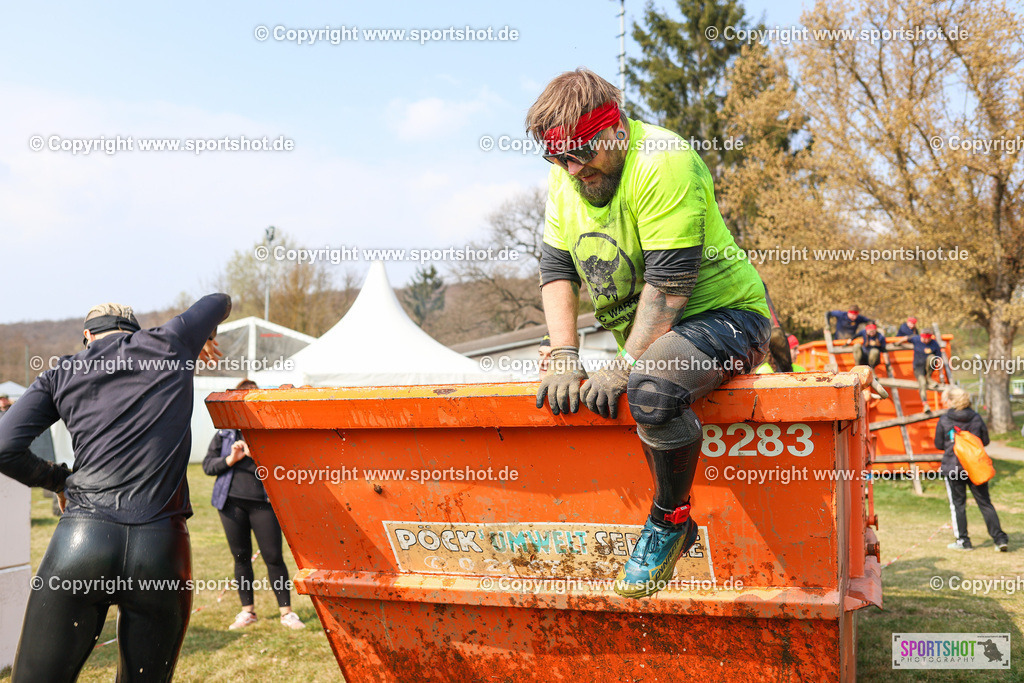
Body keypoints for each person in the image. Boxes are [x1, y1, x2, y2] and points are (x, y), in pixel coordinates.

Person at [528, 69, 770, 598]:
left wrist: (622, 364)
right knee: (628, 380)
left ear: (613, 128)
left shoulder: (664, 161)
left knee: (651, 389)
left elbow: (670, 286)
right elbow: (556, 270)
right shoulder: (566, 173)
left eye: (582, 153)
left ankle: (672, 521)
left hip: (727, 317)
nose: (572, 170)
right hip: (657, 335)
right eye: (557, 158)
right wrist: (566, 355)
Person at [0, 295, 230, 683]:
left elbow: (5, 446)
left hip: (84, 538)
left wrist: (59, 480)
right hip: (162, 546)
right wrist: (206, 333)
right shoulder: (171, 342)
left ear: (88, 336)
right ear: (132, 332)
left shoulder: (63, 371)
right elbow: (218, 300)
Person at [203, 379, 304, 631]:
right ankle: (247, 612)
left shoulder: (267, 430)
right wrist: (231, 458)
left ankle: (286, 613)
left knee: (273, 557)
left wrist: (256, 453)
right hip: (230, 504)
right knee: (240, 557)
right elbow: (207, 466)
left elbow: (286, 468)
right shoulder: (224, 433)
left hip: (264, 504)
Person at [934, 386, 1008, 552]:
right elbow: (986, 441)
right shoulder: (976, 418)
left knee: (958, 505)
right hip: (976, 467)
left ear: (951, 401)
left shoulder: (945, 419)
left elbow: (938, 444)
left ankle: (963, 541)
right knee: (985, 503)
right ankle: (1000, 538)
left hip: (954, 468)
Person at [909, 331, 942, 411]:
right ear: (921, 337)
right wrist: (897, 343)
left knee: (932, 357)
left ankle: (928, 377)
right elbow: (906, 338)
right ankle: (925, 404)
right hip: (918, 368)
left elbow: (939, 358)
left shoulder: (934, 343)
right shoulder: (916, 339)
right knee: (922, 383)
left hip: (929, 368)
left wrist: (941, 375)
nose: (927, 341)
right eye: (925, 339)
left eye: (928, 339)